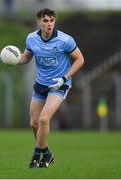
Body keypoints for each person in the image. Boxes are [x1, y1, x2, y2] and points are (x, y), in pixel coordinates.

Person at [18, 8, 84, 168]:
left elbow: (80, 60)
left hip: (59, 85)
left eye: (51, 20)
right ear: (38, 22)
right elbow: (26, 57)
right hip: (41, 84)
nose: (49, 24)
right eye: (45, 21)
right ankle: (46, 152)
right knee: (34, 123)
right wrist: (15, 60)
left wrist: (64, 78)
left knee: (44, 119)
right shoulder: (31, 39)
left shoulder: (65, 40)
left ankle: (37, 156)